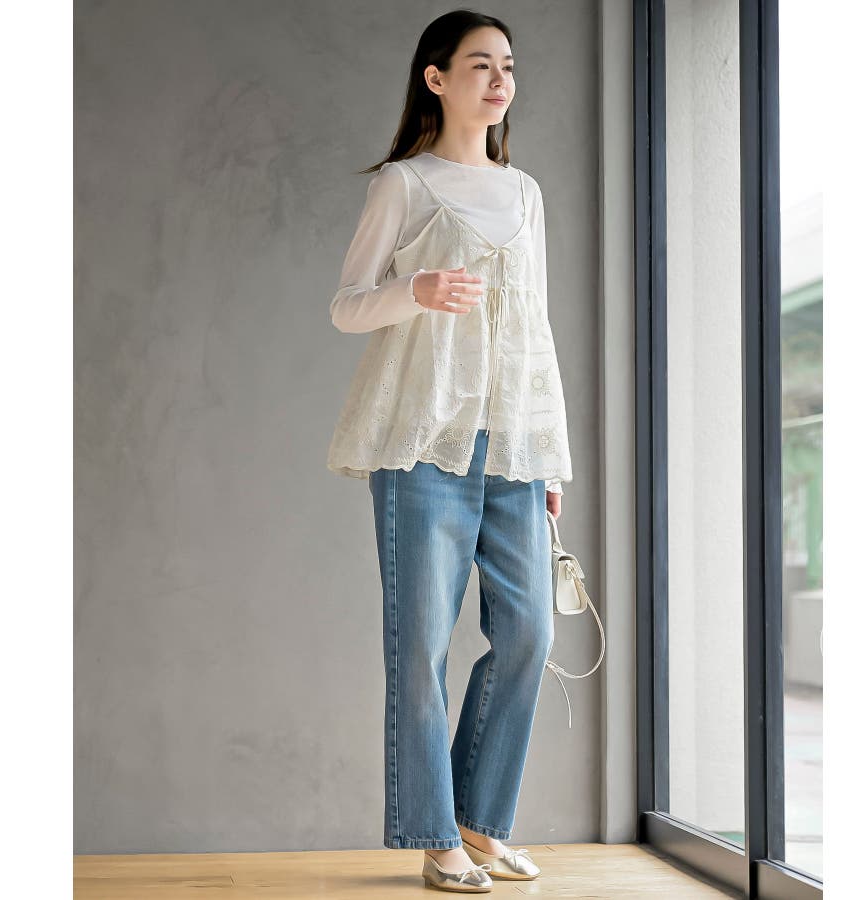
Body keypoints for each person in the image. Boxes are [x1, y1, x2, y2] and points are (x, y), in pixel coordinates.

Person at [326, 10, 573, 893]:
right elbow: (348, 305)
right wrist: (416, 290)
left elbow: (536, 332)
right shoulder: (405, 184)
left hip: (511, 445)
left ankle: (481, 822)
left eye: (508, 66)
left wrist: (550, 457)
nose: (501, 80)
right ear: (436, 78)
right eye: (481, 65)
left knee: (530, 632)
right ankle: (438, 839)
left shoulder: (524, 193)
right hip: (421, 442)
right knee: (422, 644)